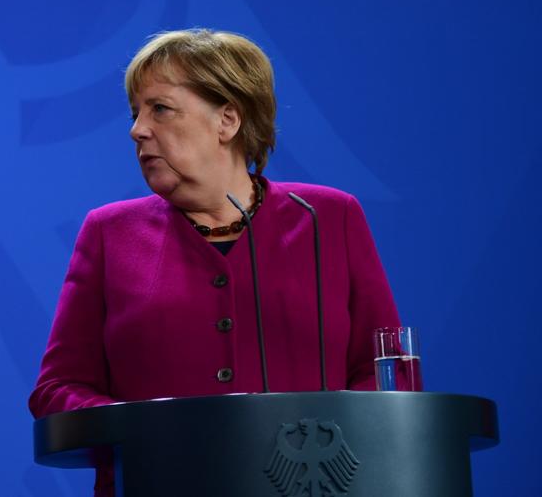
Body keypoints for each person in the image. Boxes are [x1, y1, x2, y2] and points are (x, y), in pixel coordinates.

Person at [28, 30, 401, 495]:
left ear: (227, 120)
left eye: (159, 108)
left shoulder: (330, 218)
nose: (137, 129)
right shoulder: (108, 233)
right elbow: (59, 389)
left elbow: (386, 372)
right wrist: (144, 431)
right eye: (136, 113)